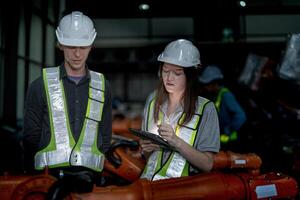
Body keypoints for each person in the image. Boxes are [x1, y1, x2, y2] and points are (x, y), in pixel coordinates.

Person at [23, 11, 112, 184]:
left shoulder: (103, 85)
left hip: (90, 179)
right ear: (60, 45)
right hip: (49, 178)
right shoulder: (40, 85)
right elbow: (30, 137)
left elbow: (105, 134)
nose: (77, 54)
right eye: (71, 47)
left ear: (91, 45)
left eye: (83, 47)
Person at [139, 39, 220, 181]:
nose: (169, 78)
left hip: (180, 190)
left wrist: (176, 141)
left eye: (177, 73)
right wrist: (146, 150)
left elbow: (207, 164)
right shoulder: (153, 105)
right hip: (148, 186)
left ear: (190, 76)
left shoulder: (205, 109)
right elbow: (149, 160)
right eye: (165, 71)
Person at [198, 65, 246, 146]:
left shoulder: (226, 95)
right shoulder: (214, 95)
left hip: (231, 142)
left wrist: (228, 129)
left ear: (215, 83)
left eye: (207, 84)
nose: (205, 87)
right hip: (221, 140)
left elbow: (241, 116)